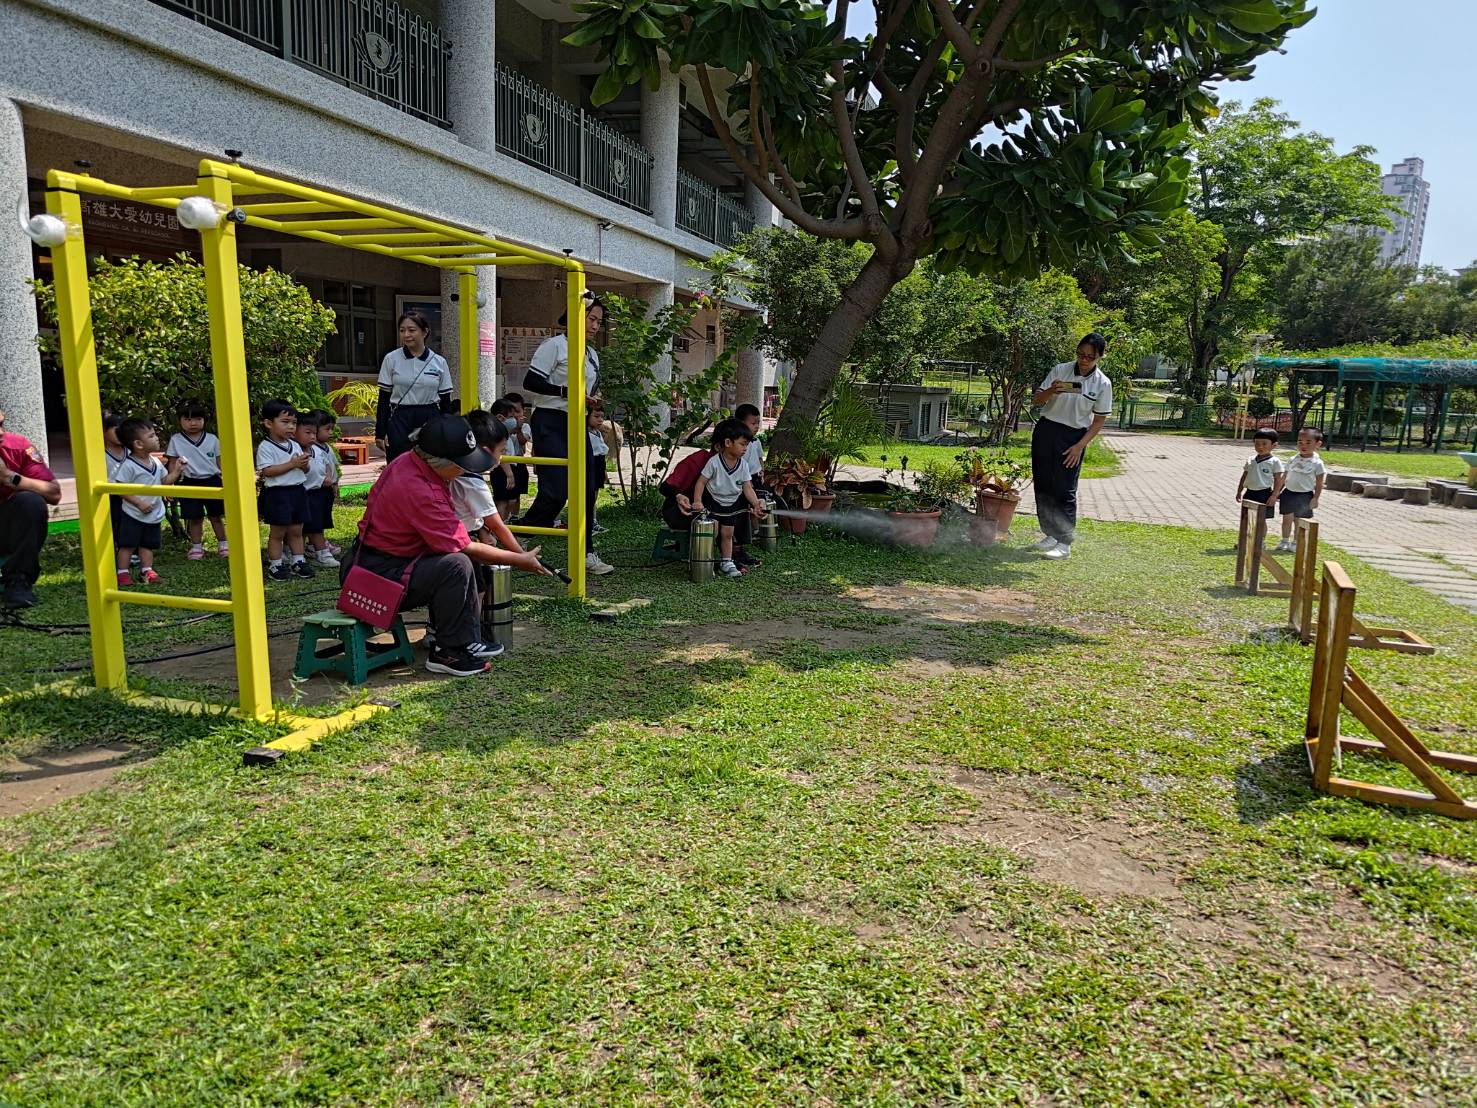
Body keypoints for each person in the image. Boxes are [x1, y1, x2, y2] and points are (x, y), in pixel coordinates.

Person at [344, 413, 550, 677]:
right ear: (440, 463)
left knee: (459, 561)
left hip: (387, 560)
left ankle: (465, 638)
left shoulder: (410, 461)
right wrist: (520, 560)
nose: (466, 470)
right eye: (462, 465)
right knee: (457, 564)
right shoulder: (420, 490)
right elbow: (464, 546)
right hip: (376, 576)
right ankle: (447, 651)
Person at [520, 296, 614, 576]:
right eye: (591, 318)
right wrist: (566, 392)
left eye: (599, 321)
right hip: (550, 420)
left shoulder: (591, 354)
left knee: (586, 489)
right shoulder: (555, 345)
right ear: (575, 316)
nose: (595, 326)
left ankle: (586, 553)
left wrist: (592, 400)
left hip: (576, 421)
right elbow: (531, 381)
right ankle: (522, 531)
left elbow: (585, 391)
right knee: (557, 490)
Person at [1030, 332, 1114, 561]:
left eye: (1090, 356)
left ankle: (1064, 543)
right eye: (1080, 354)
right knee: (1044, 485)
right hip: (1047, 430)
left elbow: (1098, 421)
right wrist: (1051, 391)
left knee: (1065, 489)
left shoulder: (1102, 383)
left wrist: (1079, 446)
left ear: (1100, 357)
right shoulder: (1060, 369)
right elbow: (1037, 401)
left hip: (1073, 437)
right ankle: (1050, 534)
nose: (1084, 360)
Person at [0, 406, 63, 609]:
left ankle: (18, 580)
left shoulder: (18, 446)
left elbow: (53, 493)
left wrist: (10, 478)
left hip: (6, 525)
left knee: (31, 502)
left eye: (0, 424)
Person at [374, 311, 454, 461]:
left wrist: (447, 430)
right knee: (399, 463)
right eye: (402, 330)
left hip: (430, 417)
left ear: (425, 332)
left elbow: (445, 402)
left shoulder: (439, 362)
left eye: (412, 330)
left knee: (430, 464)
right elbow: (383, 399)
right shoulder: (391, 359)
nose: (406, 335)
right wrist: (380, 432)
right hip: (400, 418)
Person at [692, 419, 767, 579]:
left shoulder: (743, 465)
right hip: (713, 503)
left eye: (747, 445)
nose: (745, 448)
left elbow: (747, 487)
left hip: (731, 505)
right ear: (728, 443)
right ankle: (705, 561)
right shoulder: (714, 462)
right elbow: (701, 482)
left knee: (727, 534)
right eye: (742, 444)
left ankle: (726, 562)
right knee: (712, 532)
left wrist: (756, 503)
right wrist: (697, 501)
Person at [114, 418, 183, 586]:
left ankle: (147, 570)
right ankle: (122, 573)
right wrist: (139, 503)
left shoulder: (155, 462)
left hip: (153, 513)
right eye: (151, 436)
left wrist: (177, 471)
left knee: (148, 544)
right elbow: (120, 488)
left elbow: (164, 481)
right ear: (138, 444)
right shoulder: (129, 465)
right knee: (128, 545)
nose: (156, 438)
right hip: (133, 514)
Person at [256, 399, 314, 581]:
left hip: (297, 491)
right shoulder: (266, 446)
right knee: (278, 532)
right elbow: (267, 471)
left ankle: (298, 561)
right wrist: (292, 464)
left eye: (294, 423)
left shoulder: (295, 445)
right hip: (278, 494)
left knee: (297, 530)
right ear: (268, 423)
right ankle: (276, 564)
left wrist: (304, 464)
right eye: (285, 422)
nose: (291, 427)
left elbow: (305, 470)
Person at [166, 399, 228, 561]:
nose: (193, 423)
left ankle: (223, 544)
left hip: (212, 481)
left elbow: (220, 462)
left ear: (204, 420)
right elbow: (172, 463)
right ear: (180, 421)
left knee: (216, 516)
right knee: (195, 517)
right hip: (189, 482)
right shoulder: (176, 440)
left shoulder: (212, 439)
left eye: (198, 419)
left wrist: (227, 480)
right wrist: (170, 484)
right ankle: (196, 547)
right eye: (188, 419)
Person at [294, 410, 338, 568]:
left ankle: (315, 551)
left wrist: (330, 480)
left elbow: (327, 464)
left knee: (316, 524)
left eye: (314, 433)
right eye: (308, 433)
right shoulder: (295, 452)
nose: (312, 437)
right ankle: (318, 553)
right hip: (305, 493)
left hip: (320, 492)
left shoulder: (318, 450)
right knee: (306, 527)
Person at [1275, 427, 1327, 554]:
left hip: (1304, 495)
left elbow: (1319, 483)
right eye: (1300, 442)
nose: (1303, 445)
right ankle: (1284, 540)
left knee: (1299, 520)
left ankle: (1296, 542)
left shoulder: (1317, 463)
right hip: (1288, 493)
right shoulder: (1292, 459)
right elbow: (1284, 477)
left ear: (1318, 444)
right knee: (1287, 519)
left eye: (1308, 442)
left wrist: (1316, 498)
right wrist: (1276, 492)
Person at [307, 408, 343, 559]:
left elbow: (333, 466)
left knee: (322, 517)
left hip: (327, 490)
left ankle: (315, 543)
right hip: (316, 490)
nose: (331, 432)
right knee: (315, 520)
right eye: (327, 429)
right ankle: (317, 545)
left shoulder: (327, 447)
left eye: (332, 429)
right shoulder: (311, 449)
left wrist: (335, 484)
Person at [734, 402, 766, 569]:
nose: (756, 426)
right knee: (742, 512)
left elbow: (759, 459)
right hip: (742, 482)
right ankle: (735, 550)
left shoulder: (756, 442)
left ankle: (747, 540)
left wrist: (762, 471)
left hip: (753, 479)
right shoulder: (737, 448)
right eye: (753, 423)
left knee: (754, 508)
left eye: (757, 423)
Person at [1235, 427, 1286, 533]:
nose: (1260, 447)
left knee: (1261, 520)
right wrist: (1239, 491)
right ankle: (1247, 539)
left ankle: (1260, 540)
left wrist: (1274, 495)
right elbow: (1244, 476)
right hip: (1249, 493)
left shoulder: (1274, 461)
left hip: (1264, 494)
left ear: (1273, 445)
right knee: (1247, 518)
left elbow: (1278, 480)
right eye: (1257, 443)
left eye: (1264, 444)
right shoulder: (1251, 460)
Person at [489, 396, 530, 522]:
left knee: (511, 498)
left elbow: (521, 440)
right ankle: (500, 526)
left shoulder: (502, 432)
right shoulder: (499, 435)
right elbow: (502, 456)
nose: (514, 419)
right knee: (502, 500)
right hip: (503, 470)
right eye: (511, 416)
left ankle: (505, 523)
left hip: (510, 467)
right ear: (500, 418)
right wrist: (509, 474)